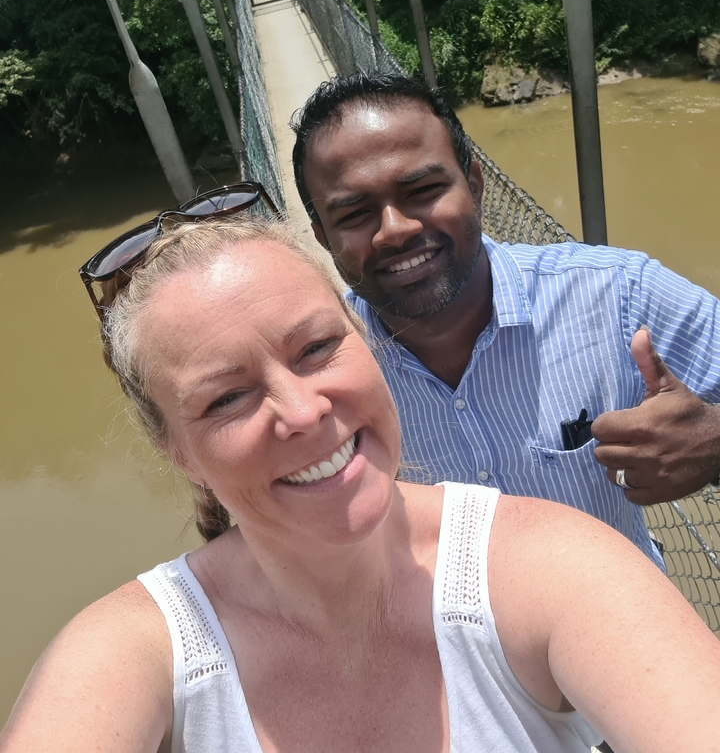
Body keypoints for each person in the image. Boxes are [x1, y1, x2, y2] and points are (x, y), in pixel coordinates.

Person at [2, 215, 720, 753]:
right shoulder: (134, 653)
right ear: (177, 451)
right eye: (227, 398)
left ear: (366, 338)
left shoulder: (551, 566)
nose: (302, 411)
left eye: (317, 347)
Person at [291, 72, 720, 567]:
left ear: (474, 185)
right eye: (354, 215)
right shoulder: (316, 377)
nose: (395, 230)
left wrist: (714, 441)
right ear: (322, 236)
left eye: (423, 190)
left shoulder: (618, 295)